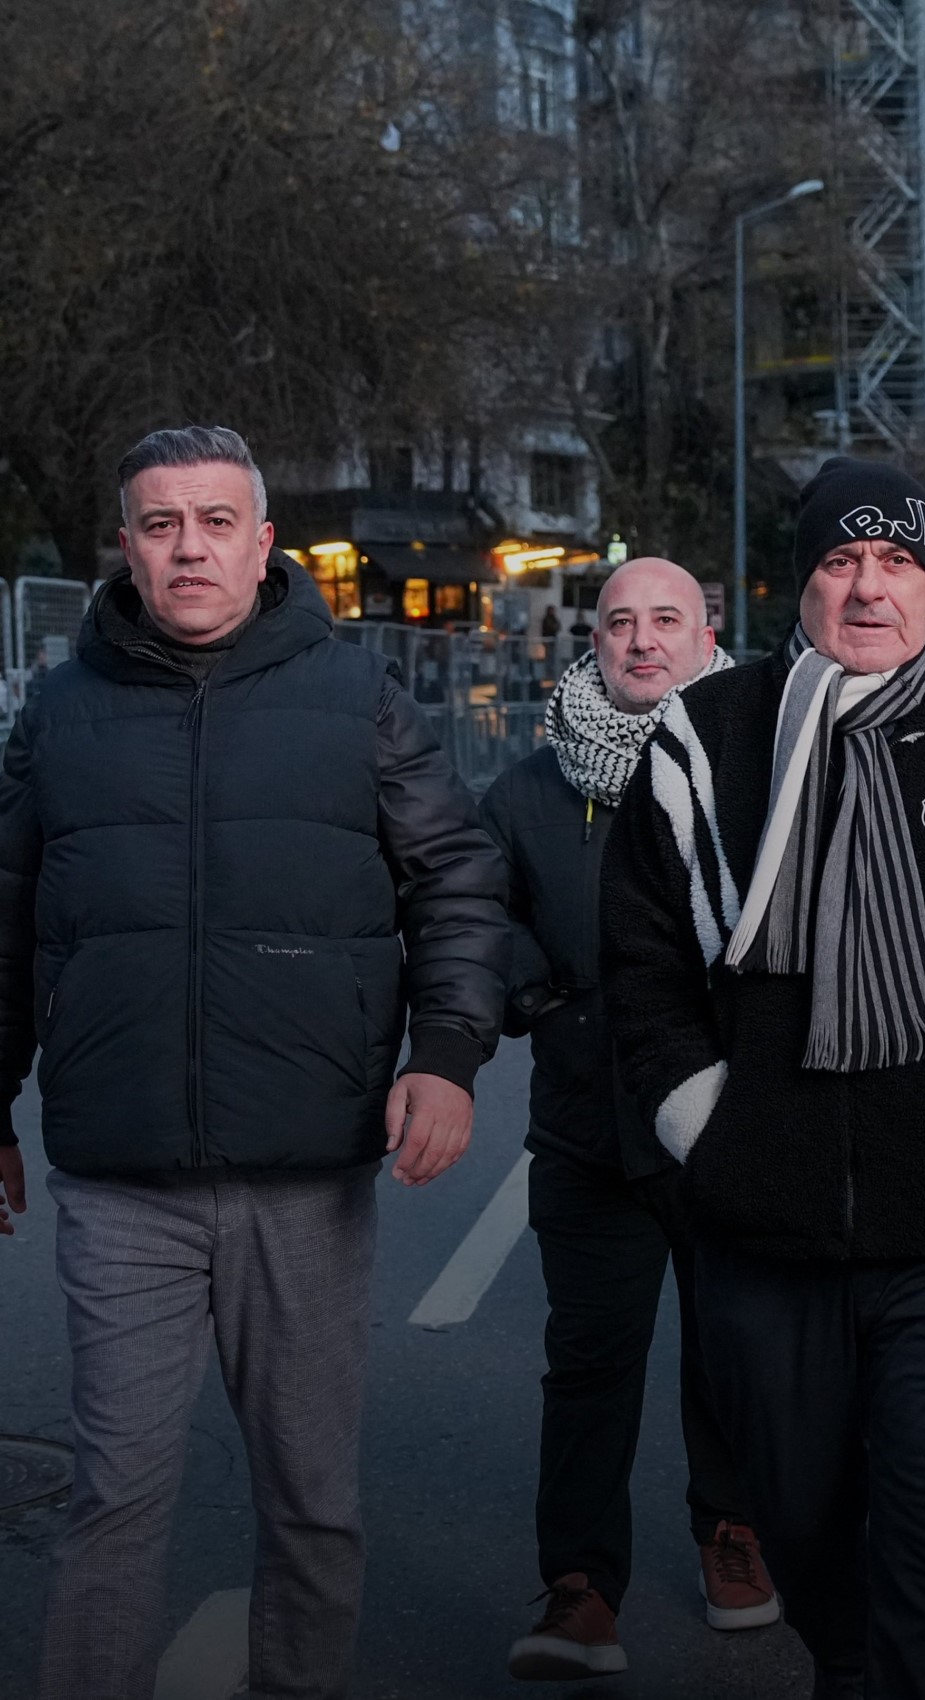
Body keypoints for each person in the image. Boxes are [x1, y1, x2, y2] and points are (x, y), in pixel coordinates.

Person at [601, 458, 925, 1700]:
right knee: (800, 1523)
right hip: (763, 1231)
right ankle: (850, 1663)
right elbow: (639, 955)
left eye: (897, 562)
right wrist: (706, 1125)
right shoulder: (707, 734)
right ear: (804, 581)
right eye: (841, 560)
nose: (869, 587)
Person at [0, 425, 508, 1700]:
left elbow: (455, 874)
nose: (188, 548)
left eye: (215, 521)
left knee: (312, 1498)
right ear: (125, 546)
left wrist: (446, 1053)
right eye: (160, 523)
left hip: (305, 1171)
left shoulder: (356, 697)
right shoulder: (58, 715)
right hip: (120, 1180)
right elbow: (6, 916)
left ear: (263, 542)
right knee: (114, 1492)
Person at [482, 557, 775, 1683]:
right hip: (588, 1124)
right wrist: (540, 998)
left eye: (666, 619)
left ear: (709, 634)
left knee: (733, 1351)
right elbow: (474, 908)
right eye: (619, 622)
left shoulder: (765, 769)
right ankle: (580, 1584)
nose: (641, 639)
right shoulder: (529, 789)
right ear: (591, 639)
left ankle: (731, 1534)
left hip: (732, 1126)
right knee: (590, 1362)